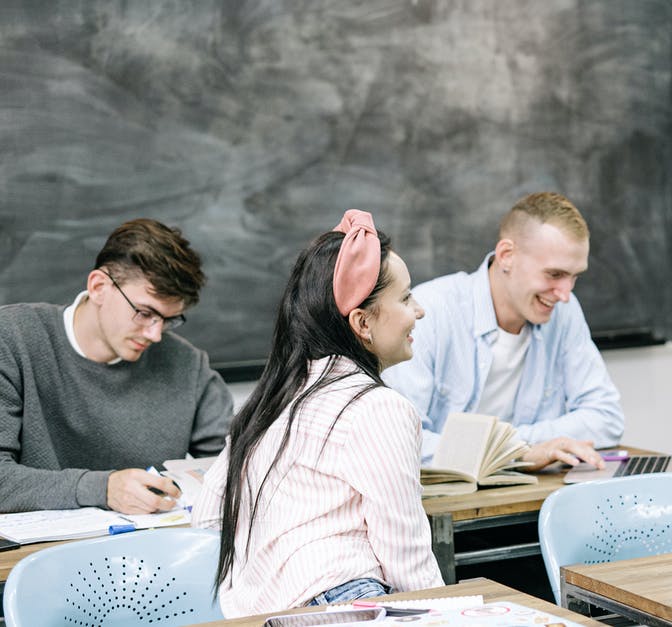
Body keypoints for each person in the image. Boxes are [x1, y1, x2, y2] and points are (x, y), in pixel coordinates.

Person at [193, 210, 443, 617]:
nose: (420, 311)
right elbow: (405, 554)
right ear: (362, 323)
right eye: (406, 297)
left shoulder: (273, 397)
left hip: (261, 613)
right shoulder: (377, 407)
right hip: (345, 599)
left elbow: (208, 517)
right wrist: (446, 616)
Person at [0, 218, 232, 515]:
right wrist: (103, 489)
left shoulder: (187, 364)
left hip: (150, 549)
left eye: (169, 319)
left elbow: (233, 464)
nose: (155, 334)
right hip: (34, 555)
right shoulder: (12, 339)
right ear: (98, 287)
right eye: (145, 313)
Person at [382, 192, 623, 471]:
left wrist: (517, 447)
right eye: (554, 275)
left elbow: (607, 418)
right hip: (448, 508)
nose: (566, 294)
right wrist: (519, 452)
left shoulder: (564, 313)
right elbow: (404, 441)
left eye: (575, 277)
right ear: (507, 256)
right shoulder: (428, 313)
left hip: (530, 497)